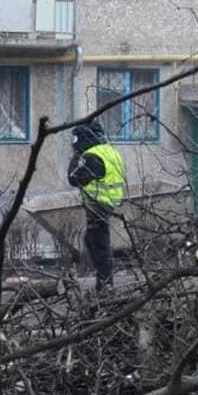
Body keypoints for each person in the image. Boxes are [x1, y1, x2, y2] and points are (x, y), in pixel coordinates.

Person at [67, 121, 125, 293]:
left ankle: (105, 286)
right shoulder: (109, 151)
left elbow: (73, 178)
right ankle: (104, 282)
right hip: (108, 202)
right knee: (94, 242)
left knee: (98, 245)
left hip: (97, 204)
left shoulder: (91, 156)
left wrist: (77, 157)